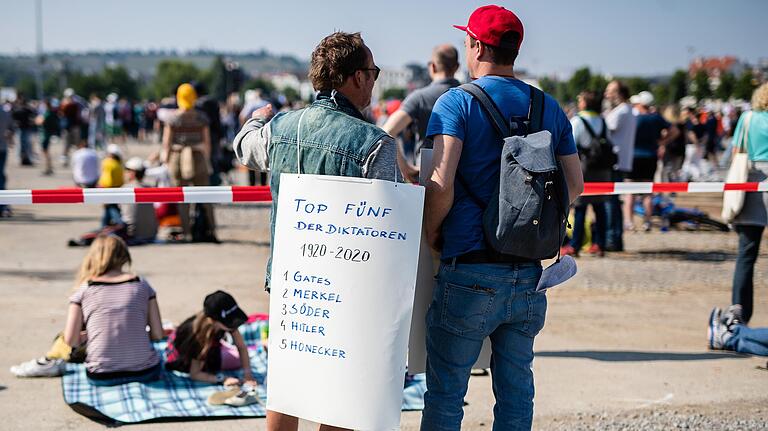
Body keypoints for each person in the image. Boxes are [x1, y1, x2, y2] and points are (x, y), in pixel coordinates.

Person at [422, 6, 583, 430]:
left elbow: (441, 183)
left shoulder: (455, 102)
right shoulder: (547, 105)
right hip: (529, 272)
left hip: (469, 267)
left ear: (475, 45)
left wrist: (431, 232)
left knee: (446, 396)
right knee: (516, 393)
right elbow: (576, 185)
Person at [233, 30, 401, 431]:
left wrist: (256, 119)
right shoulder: (374, 144)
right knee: (342, 395)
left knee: (287, 383)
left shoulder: (280, 129)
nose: (374, 82)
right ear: (356, 77)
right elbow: (390, 224)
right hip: (350, 287)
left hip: (292, 281)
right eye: (374, 72)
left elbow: (243, 147)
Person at [63, 235, 165, 386]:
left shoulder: (85, 289)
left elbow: (71, 340)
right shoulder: (141, 284)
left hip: (101, 375)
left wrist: (95, 335)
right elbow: (157, 334)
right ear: (124, 256)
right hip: (144, 372)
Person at [381, 44, 460, 182]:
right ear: (457, 67)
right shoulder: (468, 96)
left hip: (427, 175)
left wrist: (405, 168)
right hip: (461, 177)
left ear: (432, 66)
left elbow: (387, 131)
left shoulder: (419, 98)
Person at [726, 83, 768, 326]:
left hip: (753, 181)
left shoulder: (748, 118)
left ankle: (739, 314)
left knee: (746, 253)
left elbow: (737, 152)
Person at [165, 290, 257, 387]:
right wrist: (222, 379)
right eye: (230, 322)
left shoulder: (222, 324)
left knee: (238, 359)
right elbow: (195, 374)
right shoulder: (199, 338)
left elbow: (241, 347)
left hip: (206, 348)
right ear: (212, 320)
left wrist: (248, 374)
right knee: (233, 361)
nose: (235, 325)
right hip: (184, 360)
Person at [161, 83, 217, 242]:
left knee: (181, 197)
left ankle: (186, 233)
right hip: (198, 157)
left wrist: (165, 161)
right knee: (206, 196)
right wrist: (207, 161)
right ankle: (211, 230)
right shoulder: (201, 117)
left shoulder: (172, 118)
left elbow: (167, 143)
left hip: (178, 158)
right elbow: (207, 143)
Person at [562, 91, 611, 257]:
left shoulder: (578, 121)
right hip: (603, 168)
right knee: (600, 206)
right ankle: (600, 243)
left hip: (584, 166)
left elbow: (570, 144)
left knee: (580, 206)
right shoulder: (602, 121)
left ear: (585, 103)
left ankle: (575, 245)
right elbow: (609, 141)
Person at [625, 91, 679, 232]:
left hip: (633, 157)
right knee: (647, 192)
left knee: (630, 191)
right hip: (650, 156)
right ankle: (647, 222)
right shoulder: (656, 118)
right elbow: (674, 130)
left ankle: (629, 222)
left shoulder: (633, 119)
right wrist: (662, 142)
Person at [603, 80, 637, 251]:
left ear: (619, 93)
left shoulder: (621, 112)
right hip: (622, 160)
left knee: (611, 202)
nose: (606, 94)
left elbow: (606, 129)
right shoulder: (628, 110)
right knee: (615, 202)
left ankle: (611, 239)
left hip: (614, 161)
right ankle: (615, 238)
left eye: (610, 91)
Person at [121, 157, 159, 243]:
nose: (124, 173)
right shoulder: (149, 188)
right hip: (151, 234)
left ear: (132, 173)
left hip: (134, 235)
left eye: (126, 170)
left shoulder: (125, 189)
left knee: (110, 208)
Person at [99, 144, 125, 227]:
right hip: (118, 188)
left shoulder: (108, 163)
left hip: (108, 189)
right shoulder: (118, 164)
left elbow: (107, 181)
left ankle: (119, 225)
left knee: (112, 209)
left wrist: (104, 194)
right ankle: (104, 226)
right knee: (109, 210)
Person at [12, 94, 37, 166]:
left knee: (22, 145)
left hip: (23, 129)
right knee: (26, 145)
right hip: (24, 129)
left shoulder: (20, 110)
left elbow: (13, 118)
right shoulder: (26, 109)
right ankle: (24, 158)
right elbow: (33, 116)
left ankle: (23, 159)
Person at [38, 98, 61, 175]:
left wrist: (38, 119)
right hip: (47, 134)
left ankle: (48, 168)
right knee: (46, 152)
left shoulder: (48, 113)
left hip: (46, 134)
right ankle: (49, 168)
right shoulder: (51, 112)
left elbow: (40, 121)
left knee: (45, 152)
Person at [0, 100, 13, 217]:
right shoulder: (5, 112)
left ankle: (3, 206)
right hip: (2, 148)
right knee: (1, 176)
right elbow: (11, 130)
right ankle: (4, 206)